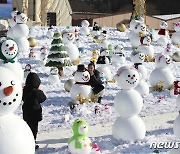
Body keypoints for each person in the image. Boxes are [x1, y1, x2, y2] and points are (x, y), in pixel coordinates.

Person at [22, 72, 47, 150]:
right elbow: (43, 99)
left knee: (28, 127)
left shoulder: (25, 90)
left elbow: (23, 98)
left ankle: (27, 140)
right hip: (35, 113)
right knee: (34, 129)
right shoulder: (37, 92)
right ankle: (32, 142)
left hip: (26, 112)